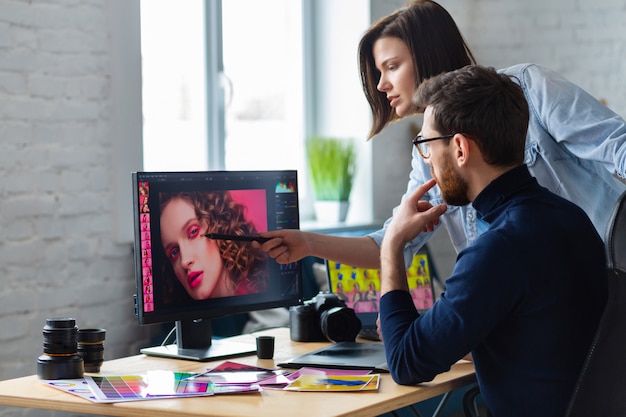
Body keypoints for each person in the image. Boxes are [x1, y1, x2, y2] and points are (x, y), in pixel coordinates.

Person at [259, 0, 625, 270]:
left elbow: (619, 146)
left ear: (428, 56)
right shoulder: (431, 154)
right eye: (379, 71)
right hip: (529, 313)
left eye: (391, 66)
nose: (382, 84)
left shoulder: (529, 89)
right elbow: (393, 244)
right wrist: (307, 243)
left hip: (604, 284)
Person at [379, 64, 607, 417]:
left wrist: (392, 244)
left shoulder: (500, 248)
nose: (428, 162)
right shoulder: (570, 218)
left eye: (427, 145)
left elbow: (408, 363)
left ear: (459, 148)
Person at [159, 191, 268, 303]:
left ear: (218, 224)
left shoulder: (266, 293)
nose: (184, 262)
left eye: (193, 232)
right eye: (174, 252)